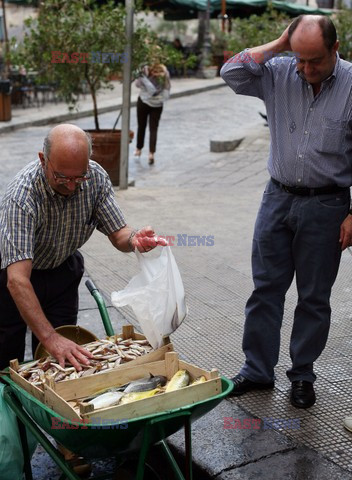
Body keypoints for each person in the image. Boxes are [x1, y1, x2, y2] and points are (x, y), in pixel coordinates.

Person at [221, 15, 352, 408]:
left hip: (327, 204)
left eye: (315, 60)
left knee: (314, 297)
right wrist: (280, 46)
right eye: (300, 59)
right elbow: (231, 71)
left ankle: (302, 374)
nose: (306, 69)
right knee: (265, 290)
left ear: (335, 48)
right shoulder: (278, 71)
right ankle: (257, 370)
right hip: (277, 198)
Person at [0, 124, 168, 371]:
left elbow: (118, 233)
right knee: (7, 355)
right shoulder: (22, 197)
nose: (70, 185)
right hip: (16, 275)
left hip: (61, 271)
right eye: (62, 177)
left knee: (64, 357)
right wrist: (49, 338)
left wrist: (134, 239)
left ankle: (54, 407)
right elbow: (17, 280)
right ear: (42, 160)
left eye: (78, 177)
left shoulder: (96, 177)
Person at [134, 63, 171, 165]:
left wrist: (141, 77)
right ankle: (150, 153)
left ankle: (139, 149)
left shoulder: (144, 71)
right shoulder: (164, 71)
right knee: (153, 128)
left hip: (144, 101)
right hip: (157, 103)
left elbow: (137, 84)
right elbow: (167, 87)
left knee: (142, 126)